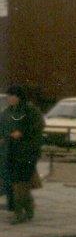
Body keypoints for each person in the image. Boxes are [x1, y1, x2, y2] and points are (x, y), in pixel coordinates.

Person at [0, 85, 45, 223]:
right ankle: (28, 208)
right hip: (10, 153)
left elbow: (39, 125)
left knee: (20, 183)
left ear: (20, 97)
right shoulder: (7, 112)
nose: (11, 99)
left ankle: (19, 213)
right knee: (15, 183)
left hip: (27, 153)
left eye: (14, 96)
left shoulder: (30, 110)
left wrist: (22, 133)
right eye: (9, 96)